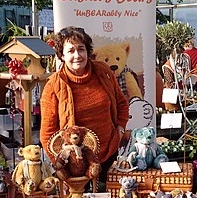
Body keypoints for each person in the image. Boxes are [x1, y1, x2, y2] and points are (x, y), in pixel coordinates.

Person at [40, 26, 130, 185]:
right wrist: (62, 163)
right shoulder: (53, 86)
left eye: (81, 49)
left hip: (109, 154)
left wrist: (120, 131)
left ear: (88, 51)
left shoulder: (103, 72)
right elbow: (47, 134)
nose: (77, 55)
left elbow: (122, 103)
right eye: (70, 51)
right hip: (76, 165)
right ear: (61, 55)